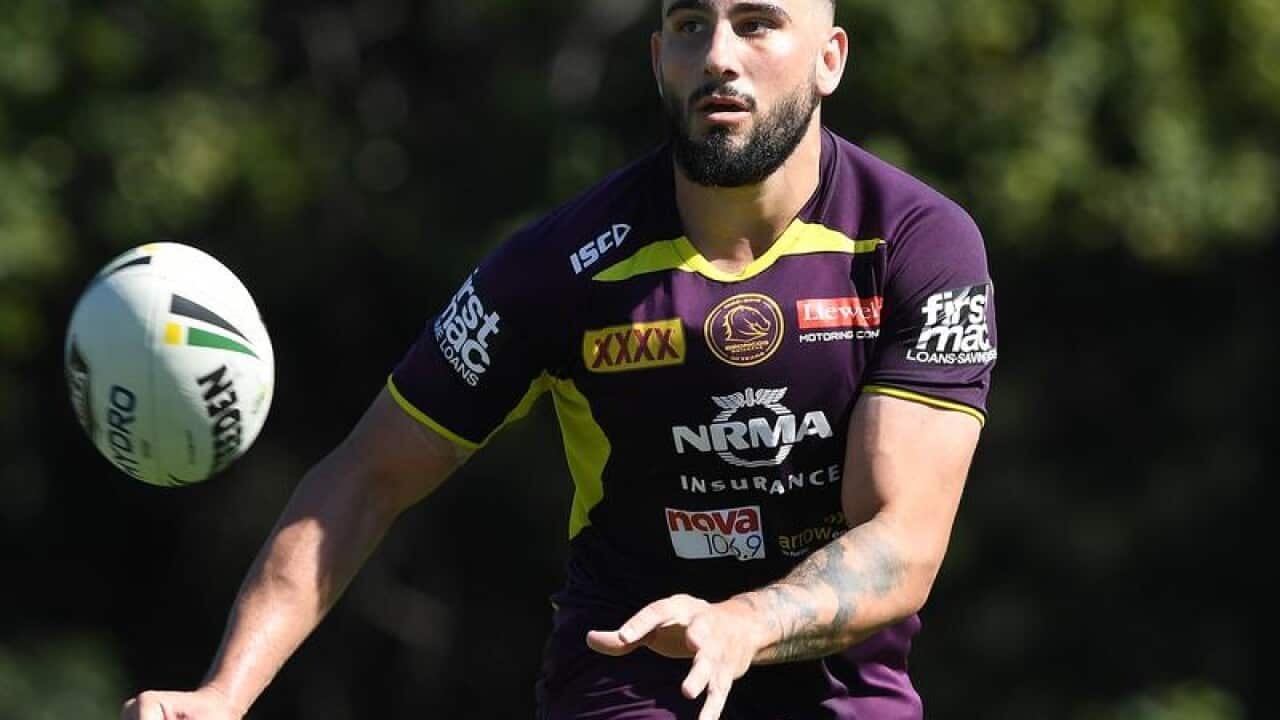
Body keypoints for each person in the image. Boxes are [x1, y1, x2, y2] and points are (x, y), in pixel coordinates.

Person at [122, 0, 997, 717]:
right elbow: (368, 475)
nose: (720, 57)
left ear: (830, 59)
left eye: (757, 23)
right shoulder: (560, 264)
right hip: (627, 684)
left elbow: (904, 544)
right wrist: (223, 695)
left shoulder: (917, 243)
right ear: (659, 59)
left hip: (841, 695)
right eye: (692, 27)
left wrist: (745, 622)